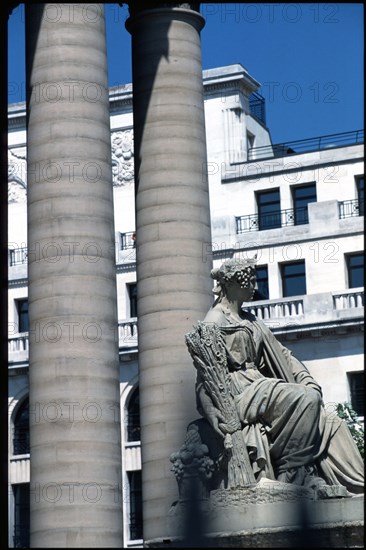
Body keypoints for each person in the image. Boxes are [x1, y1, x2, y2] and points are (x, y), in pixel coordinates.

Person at [192, 257, 364, 494]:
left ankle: (357, 487)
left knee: (332, 422)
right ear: (233, 283)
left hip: (260, 386)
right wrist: (211, 412)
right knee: (306, 400)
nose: (255, 288)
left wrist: (307, 381)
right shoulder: (215, 321)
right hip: (240, 391)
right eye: (250, 281)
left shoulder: (251, 320)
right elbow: (205, 375)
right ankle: (293, 474)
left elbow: (284, 356)